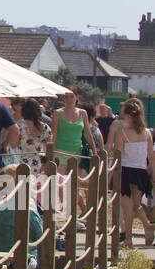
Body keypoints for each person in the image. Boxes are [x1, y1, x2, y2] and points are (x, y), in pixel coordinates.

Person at [108, 98, 155, 246]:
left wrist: (113, 173)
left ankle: (128, 238)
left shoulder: (123, 132)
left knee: (127, 207)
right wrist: (151, 173)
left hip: (126, 171)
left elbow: (119, 155)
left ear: (128, 116)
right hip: (141, 172)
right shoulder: (147, 133)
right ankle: (147, 227)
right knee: (137, 205)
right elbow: (150, 156)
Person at [51, 88, 99, 175]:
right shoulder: (58, 113)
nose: (69, 99)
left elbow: (88, 134)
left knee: (74, 183)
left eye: (71, 97)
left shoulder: (83, 113)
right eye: (66, 97)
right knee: (60, 181)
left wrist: (95, 152)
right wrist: (51, 153)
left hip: (77, 152)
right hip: (60, 151)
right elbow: (53, 134)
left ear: (77, 98)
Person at [16, 98, 51, 179]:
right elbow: (49, 149)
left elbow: (14, 144)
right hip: (38, 163)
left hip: (21, 162)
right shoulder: (45, 127)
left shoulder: (19, 126)